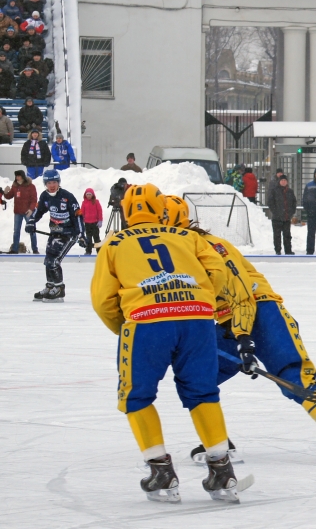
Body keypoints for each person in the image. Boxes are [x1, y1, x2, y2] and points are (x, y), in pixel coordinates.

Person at [161, 196, 316, 464]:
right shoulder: (173, 251)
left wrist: (245, 339)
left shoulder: (208, 247)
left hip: (262, 311)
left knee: (294, 377)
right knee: (195, 378)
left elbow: (242, 295)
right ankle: (218, 442)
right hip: (229, 321)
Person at [90, 183, 243, 503]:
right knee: (203, 393)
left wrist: (124, 327)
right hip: (197, 319)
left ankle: (161, 471)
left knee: (136, 396)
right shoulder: (189, 237)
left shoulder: (114, 243)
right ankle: (222, 471)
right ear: (161, 210)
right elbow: (218, 273)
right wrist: (202, 303)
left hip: (147, 321)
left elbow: (103, 301)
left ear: (127, 211)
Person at [24, 169, 82, 302]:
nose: (52, 185)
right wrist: (31, 221)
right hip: (55, 233)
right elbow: (39, 211)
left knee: (54, 261)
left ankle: (59, 289)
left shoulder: (67, 196)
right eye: (49, 182)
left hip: (69, 234)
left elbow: (78, 215)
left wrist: (81, 234)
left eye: (54, 182)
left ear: (58, 182)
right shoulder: (45, 196)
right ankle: (51, 286)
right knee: (48, 261)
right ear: (45, 183)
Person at [4, 169, 36, 253]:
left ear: (23, 176)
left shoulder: (30, 186)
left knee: (32, 230)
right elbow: (9, 196)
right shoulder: (15, 186)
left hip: (27, 212)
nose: (17, 178)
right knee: (16, 231)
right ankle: (15, 249)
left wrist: (31, 209)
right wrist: (5, 192)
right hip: (18, 212)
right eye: (16, 176)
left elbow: (34, 199)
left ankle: (35, 249)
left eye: (19, 176)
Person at [266, 174, 296, 255]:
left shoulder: (290, 191)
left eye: (285, 181)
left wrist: (291, 212)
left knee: (287, 235)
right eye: (282, 180)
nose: (283, 182)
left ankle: (288, 250)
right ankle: (278, 250)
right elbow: (270, 202)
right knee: (277, 235)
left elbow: (294, 203)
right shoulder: (274, 191)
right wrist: (275, 212)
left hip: (286, 217)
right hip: (277, 217)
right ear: (279, 181)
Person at [80, 188, 103, 254]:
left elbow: (99, 211)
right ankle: (88, 251)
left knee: (96, 238)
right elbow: (82, 212)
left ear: (92, 195)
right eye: (87, 194)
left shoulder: (96, 201)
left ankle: (99, 251)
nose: (89, 196)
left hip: (95, 223)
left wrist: (100, 220)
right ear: (85, 195)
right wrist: (82, 219)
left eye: (90, 194)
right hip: (87, 223)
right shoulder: (84, 202)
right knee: (88, 238)